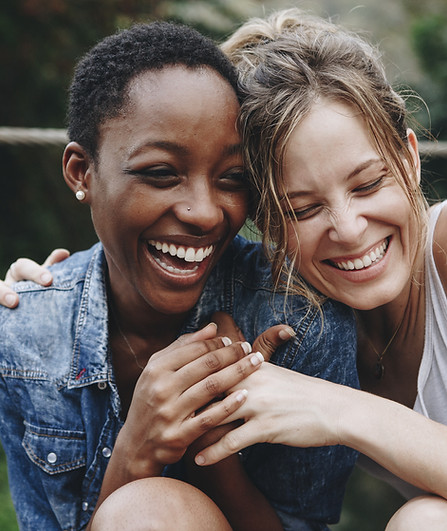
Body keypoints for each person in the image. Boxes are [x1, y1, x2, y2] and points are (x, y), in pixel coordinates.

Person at [0, 19, 359, 531]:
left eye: (232, 178)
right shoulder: (26, 337)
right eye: (161, 173)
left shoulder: (301, 320)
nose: (204, 213)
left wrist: (214, 445)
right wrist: (135, 452)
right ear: (82, 172)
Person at [188, 8, 447, 530]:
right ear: (265, 223)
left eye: (369, 183)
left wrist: (341, 411)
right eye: (303, 209)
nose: (349, 229)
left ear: (410, 159)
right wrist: (49, 289)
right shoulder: (300, 314)